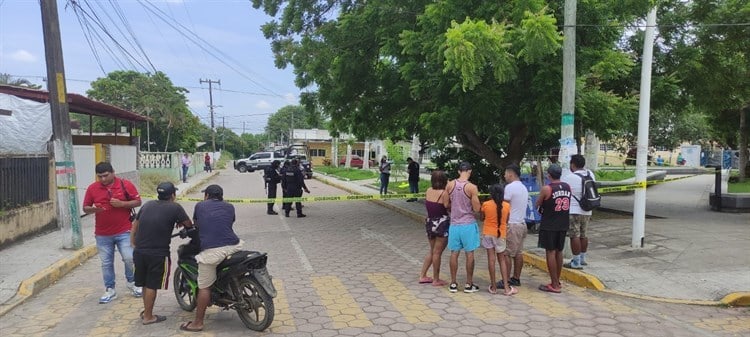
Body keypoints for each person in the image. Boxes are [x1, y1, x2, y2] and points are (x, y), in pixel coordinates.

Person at [180, 185, 243, 333]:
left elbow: (196, 224)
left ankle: (198, 323)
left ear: (207, 195)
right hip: (234, 245)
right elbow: (229, 222)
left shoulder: (200, 206)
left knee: (204, 286)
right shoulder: (229, 206)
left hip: (213, 251)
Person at [130, 182, 192, 325]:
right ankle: (148, 317)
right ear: (172, 195)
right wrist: (180, 221)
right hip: (157, 253)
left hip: (139, 251)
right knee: (152, 284)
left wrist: (132, 242)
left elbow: (135, 224)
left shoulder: (148, 205)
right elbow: (189, 224)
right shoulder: (175, 207)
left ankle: (146, 311)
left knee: (145, 283)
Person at [82, 161, 143, 304]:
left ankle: (132, 282)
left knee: (129, 258)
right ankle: (110, 289)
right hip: (102, 233)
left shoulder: (125, 184)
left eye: (105, 176)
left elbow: (138, 201)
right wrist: (93, 209)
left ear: (113, 172)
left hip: (124, 230)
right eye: (100, 177)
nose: (103, 179)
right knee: (106, 263)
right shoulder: (92, 188)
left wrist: (123, 204)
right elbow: (85, 208)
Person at [534, 165, 571, 293]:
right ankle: (557, 281)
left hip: (550, 224)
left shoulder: (547, 188)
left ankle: (554, 284)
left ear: (549, 175)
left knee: (550, 252)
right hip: (563, 223)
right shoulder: (567, 187)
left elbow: (537, 204)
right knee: (559, 252)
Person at [445, 162, 481, 293]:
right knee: (469, 253)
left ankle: (453, 283)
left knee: (454, 253)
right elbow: (477, 208)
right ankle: (468, 284)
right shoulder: (472, 187)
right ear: (469, 171)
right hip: (468, 225)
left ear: (459, 171)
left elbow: (445, 203)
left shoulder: (450, 185)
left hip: (454, 225)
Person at [481, 184, 517, 296]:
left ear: (491, 194)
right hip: (501, 234)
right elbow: (506, 220)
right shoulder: (507, 206)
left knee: (491, 260)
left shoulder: (486, 204)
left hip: (488, 233)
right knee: (502, 260)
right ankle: (506, 288)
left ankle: (493, 286)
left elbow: (482, 218)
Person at [561, 154, 595, 269]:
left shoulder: (570, 177)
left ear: (573, 164)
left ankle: (576, 262)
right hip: (587, 209)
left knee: (574, 235)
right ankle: (582, 258)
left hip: (574, 210)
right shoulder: (590, 174)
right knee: (584, 235)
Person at [418, 170, 450, 287]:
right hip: (441, 223)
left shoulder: (428, 190)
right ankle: (436, 279)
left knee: (432, 251)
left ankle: (423, 275)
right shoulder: (444, 193)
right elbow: (447, 206)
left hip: (430, 222)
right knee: (437, 253)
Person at [499, 163, 529, 289]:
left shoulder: (510, 187)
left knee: (506, 253)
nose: (505, 176)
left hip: (512, 224)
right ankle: (516, 278)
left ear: (511, 174)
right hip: (522, 224)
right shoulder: (523, 187)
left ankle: (506, 280)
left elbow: (504, 206)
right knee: (518, 253)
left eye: (506, 173)